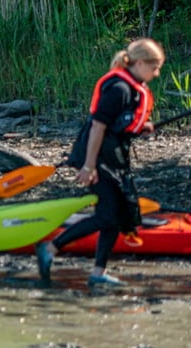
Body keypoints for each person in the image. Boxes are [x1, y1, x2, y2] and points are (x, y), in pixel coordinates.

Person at [35, 37, 165, 287]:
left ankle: (97, 273)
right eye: (155, 67)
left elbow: (119, 125)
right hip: (95, 156)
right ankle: (49, 248)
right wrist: (89, 166)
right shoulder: (119, 88)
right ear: (139, 62)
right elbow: (97, 127)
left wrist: (139, 128)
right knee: (107, 216)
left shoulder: (133, 87)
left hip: (113, 157)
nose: (156, 73)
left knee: (114, 216)